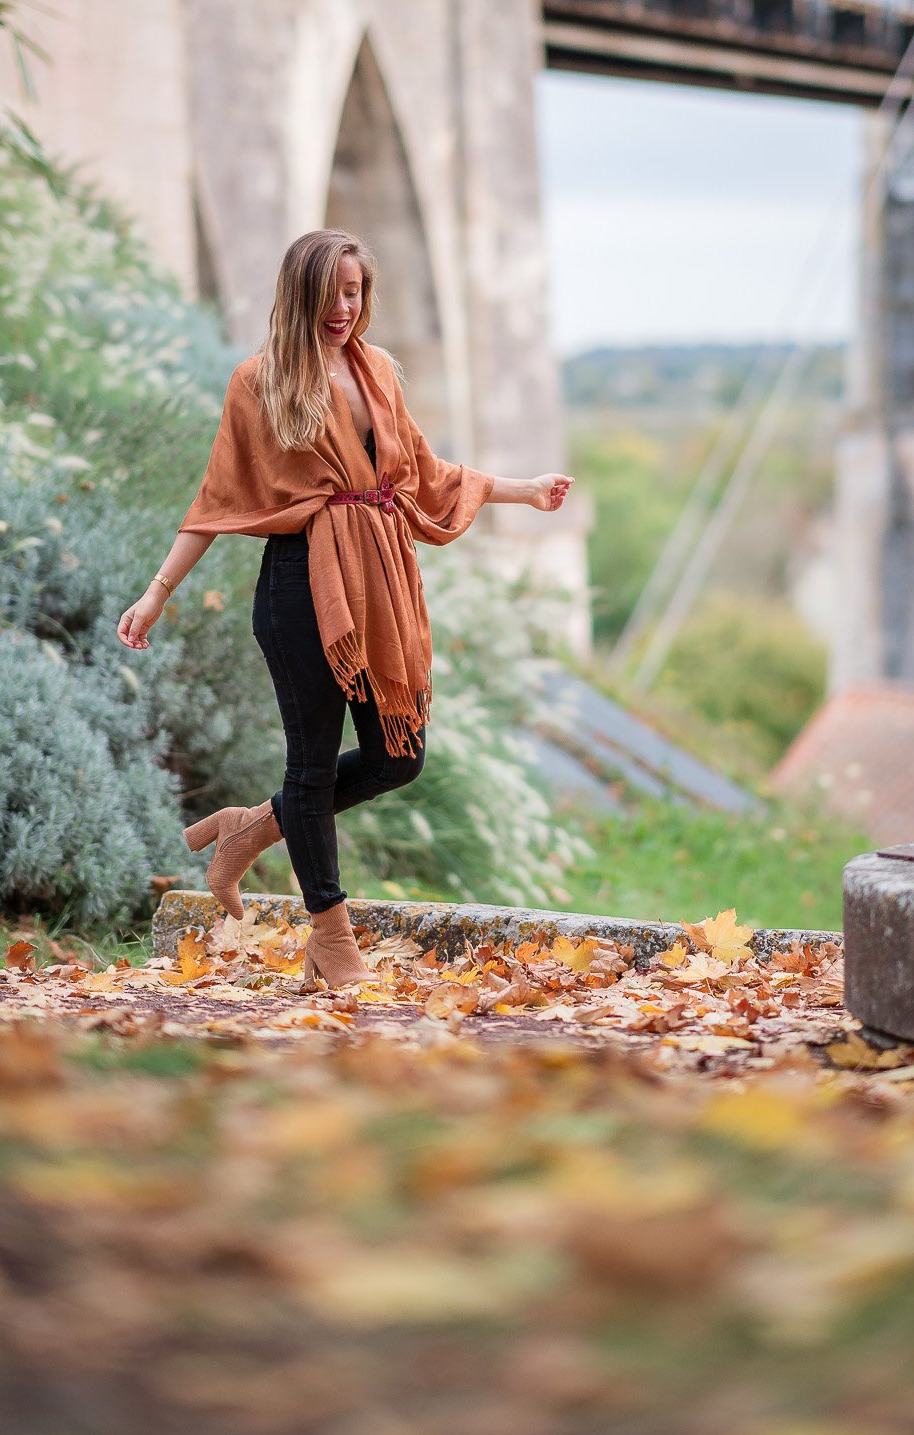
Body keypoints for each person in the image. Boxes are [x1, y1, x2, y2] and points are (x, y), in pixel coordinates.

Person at [116, 228, 573, 989]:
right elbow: (216, 499)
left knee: (400, 757)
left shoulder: (379, 370)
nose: (343, 307)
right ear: (301, 295)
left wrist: (521, 488)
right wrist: (157, 591)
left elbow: (424, 471)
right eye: (330, 293)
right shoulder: (258, 381)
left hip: (378, 579)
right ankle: (331, 935)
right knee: (311, 762)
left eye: (355, 291)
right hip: (301, 584)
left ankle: (248, 830)